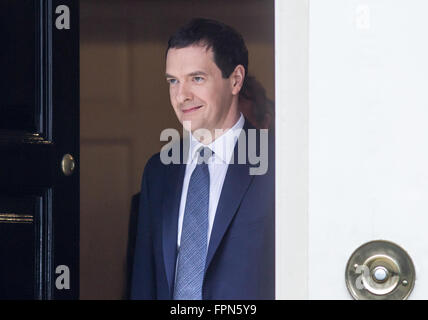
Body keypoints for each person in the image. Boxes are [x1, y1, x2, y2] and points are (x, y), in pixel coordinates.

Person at [130, 18, 274, 300]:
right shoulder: (158, 171)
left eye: (196, 78)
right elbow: (144, 282)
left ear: (235, 80)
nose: (181, 95)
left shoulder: (278, 163)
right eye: (173, 81)